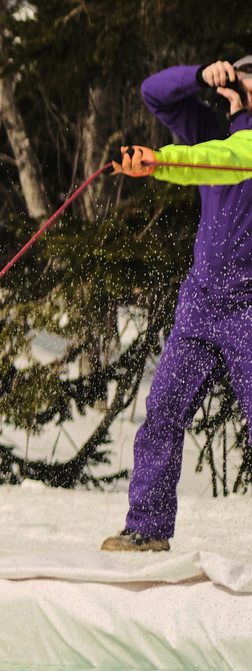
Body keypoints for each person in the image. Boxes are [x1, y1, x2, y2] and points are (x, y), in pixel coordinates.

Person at [102, 57, 252, 552]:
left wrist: (160, 162)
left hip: (247, 306)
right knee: (163, 410)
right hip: (201, 300)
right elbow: (153, 93)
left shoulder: (241, 142)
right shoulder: (212, 128)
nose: (237, 84)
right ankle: (146, 529)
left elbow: (225, 160)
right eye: (237, 75)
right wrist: (199, 76)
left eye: (246, 79)